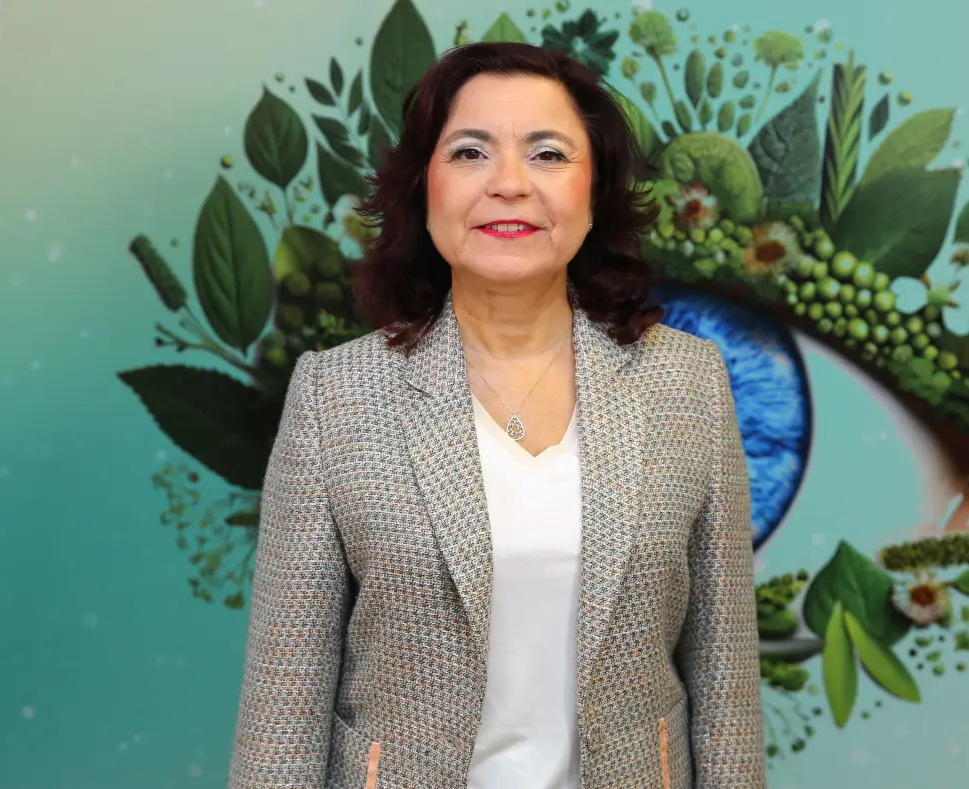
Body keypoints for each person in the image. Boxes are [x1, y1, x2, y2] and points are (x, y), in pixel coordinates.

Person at [227, 41, 766, 789]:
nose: (509, 183)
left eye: (547, 154)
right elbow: (283, 710)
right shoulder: (335, 394)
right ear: (424, 189)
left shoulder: (687, 381)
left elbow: (725, 679)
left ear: (595, 190)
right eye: (470, 152)